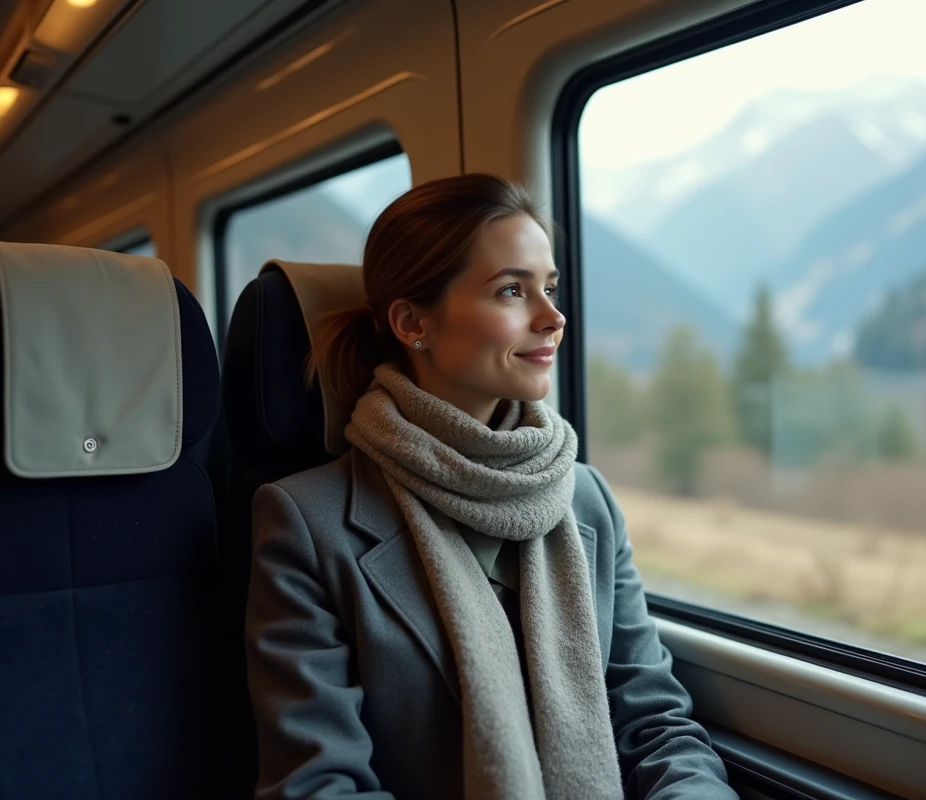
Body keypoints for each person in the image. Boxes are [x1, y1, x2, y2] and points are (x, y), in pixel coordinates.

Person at [244, 173, 737, 800]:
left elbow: (656, 727)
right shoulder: (307, 524)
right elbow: (319, 786)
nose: (553, 317)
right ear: (412, 322)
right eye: (511, 291)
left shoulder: (586, 497)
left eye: (549, 288)